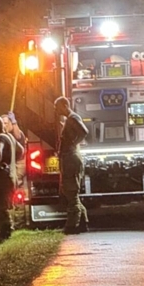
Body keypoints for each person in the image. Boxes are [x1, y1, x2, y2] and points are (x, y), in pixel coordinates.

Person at [54, 96, 90, 234]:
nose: (56, 110)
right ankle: (83, 223)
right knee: (72, 192)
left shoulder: (73, 118)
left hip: (70, 158)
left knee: (71, 192)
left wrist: (73, 144)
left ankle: (72, 225)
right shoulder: (70, 119)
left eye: (57, 107)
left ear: (64, 105)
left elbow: (84, 132)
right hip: (70, 157)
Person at [0, 116, 23, 242]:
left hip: (1, 177)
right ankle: (7, 229)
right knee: (4, 204)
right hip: (11, 175)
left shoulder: (0, 138)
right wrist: (11, 161)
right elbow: (21, 150)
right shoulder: (10, 137)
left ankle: (6, 231)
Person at [2, 111, 28, 186]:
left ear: (11, 124)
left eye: (6, 123)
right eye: (2, 123)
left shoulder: (17, 132)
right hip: (9, 164)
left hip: (18, 163)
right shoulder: (4, 134)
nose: (4, 126)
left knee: (16, 183)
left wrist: (14, 121)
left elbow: (18, 136)